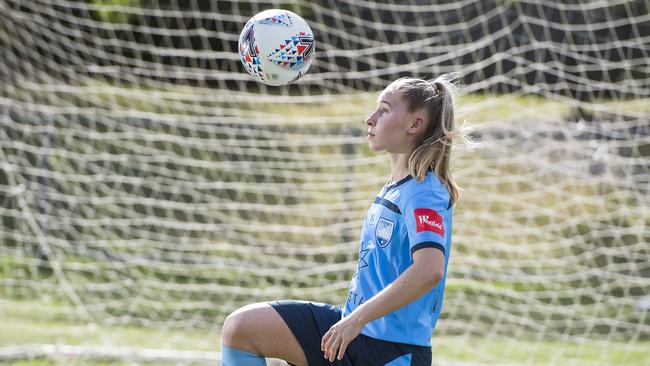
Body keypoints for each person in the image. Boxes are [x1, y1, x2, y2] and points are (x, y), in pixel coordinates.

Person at [221, 74, 462, 366]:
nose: (370, 119)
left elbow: (429, 270)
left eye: (384, 110)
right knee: (242, 328)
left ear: (415, 124)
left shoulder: (424, 191)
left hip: (389, 350)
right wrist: (352, 320)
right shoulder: (396, 188)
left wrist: (356, 320)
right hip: (351, 331)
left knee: (243, 327)